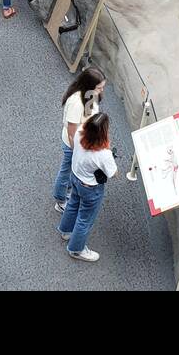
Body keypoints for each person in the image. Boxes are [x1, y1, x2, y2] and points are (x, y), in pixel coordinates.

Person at [58, 113, 116, 262]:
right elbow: (113, 173)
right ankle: (76, 249)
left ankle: (65, 231)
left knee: (72, 204)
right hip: (91, 188)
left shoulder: (78, 133)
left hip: (75, 177)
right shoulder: (104, 154)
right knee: (85, 218)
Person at [53, 68, 105, 213]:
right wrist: (79, 152)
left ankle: (67, 191)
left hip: (83, 143)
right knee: (66, 170)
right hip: (73, 146)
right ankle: (60, 199)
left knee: (70, 170)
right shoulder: (76, 103)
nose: (101, 91)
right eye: (99, 87)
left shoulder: (89, 95)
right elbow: (71, 133)